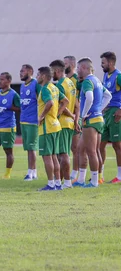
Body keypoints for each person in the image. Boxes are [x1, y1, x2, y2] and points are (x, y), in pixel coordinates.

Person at [75, 58, 111, 187]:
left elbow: (89, 98)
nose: (77, 71)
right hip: (98, 118)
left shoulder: (87, 81)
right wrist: (99, 109)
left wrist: (83, 115)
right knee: (82, 149)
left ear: (84, 68)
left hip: (91, 120)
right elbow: (108, 96)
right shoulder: (97, 81)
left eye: (78, 68)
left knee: (91, 151)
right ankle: (81, 180)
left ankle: (94, 181)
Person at [36, 66, 69, 192]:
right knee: (54, 156)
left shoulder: (45, 89)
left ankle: (50, 184)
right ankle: (57, 183)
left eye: (38, 75)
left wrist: (41, 116)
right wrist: (57, 114)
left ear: (43, 76)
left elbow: (49, 103)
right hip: (56, 125)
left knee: (47, 156)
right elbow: (65, 101)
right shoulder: (54, 87)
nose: (37, 77)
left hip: (47, 127)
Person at [51, 59, 77, 189]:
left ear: (57, 71)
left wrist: (57, 115)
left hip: (62, 123)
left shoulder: (60, 85)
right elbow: (76, 104)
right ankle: (60, 182)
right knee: (64, 153)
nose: (51, 75)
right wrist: (75, 118)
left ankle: (66, 183)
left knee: (62, 154)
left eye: (52, 72)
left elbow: (63, 103)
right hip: (70, 123)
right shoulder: (70, 83)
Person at [100, 52, 121, 183]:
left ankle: (120, 176)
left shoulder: (118, 76)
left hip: (115, 112)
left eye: (103, 62)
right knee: (100, 146)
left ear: (111, 63)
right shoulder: (106, 75)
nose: (102, 65)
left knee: (117, 145)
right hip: (105, 113)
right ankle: (99, 176)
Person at [19, 64, 39, 181]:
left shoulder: (35, 84)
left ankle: (30, 173)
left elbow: (41, 99)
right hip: (23, 120)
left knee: (32, 148)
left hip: (32, 121)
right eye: (20, 71)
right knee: (28, 148)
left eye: (23, 71)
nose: (20, 73)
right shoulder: (22, 86)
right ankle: (34, 172)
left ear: (30, 71)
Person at [64, 55, 82, 182]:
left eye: (66, 63)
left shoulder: (77, 80)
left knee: (75, 147)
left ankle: (76, 174)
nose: (64, 66)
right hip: (67, 117)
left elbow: (79, 101)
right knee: (69, 147)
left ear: (73, 65)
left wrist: (78, 117)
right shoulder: (66, 80)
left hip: (76, 116)